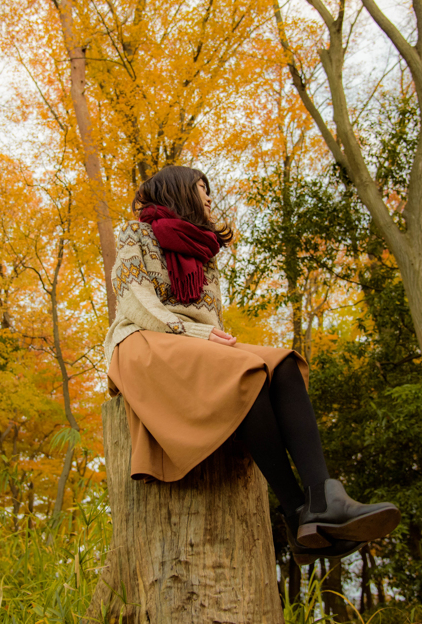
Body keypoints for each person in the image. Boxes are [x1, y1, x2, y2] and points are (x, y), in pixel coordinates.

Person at [103, 165, 400, 563]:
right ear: (177, 193)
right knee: (244, 372)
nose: (209, 197)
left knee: (283, 365)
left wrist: (210, 339)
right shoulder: (135, 234)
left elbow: (212, 319)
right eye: (200, 189)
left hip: (200, 346)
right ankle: (294, 510)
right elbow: (134, 301)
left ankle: (320, 500)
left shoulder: (206, 254)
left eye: (209, 190)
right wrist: (193, 334)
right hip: (144, 341)